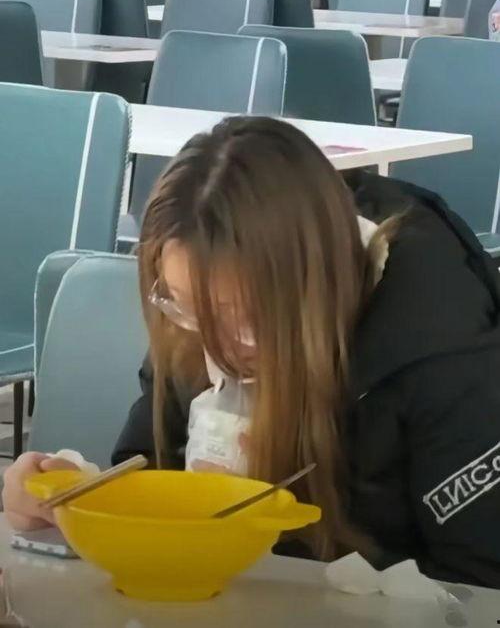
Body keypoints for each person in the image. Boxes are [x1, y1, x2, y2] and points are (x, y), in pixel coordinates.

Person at [5, 117, 500, 587]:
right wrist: (78, 496)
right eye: (184, 306)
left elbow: (480, 587)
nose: (216, 344)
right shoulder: (196, 321)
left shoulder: (442, 356)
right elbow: (151, 467)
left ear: (314, 293)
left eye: (242, 316)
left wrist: (281, 529)